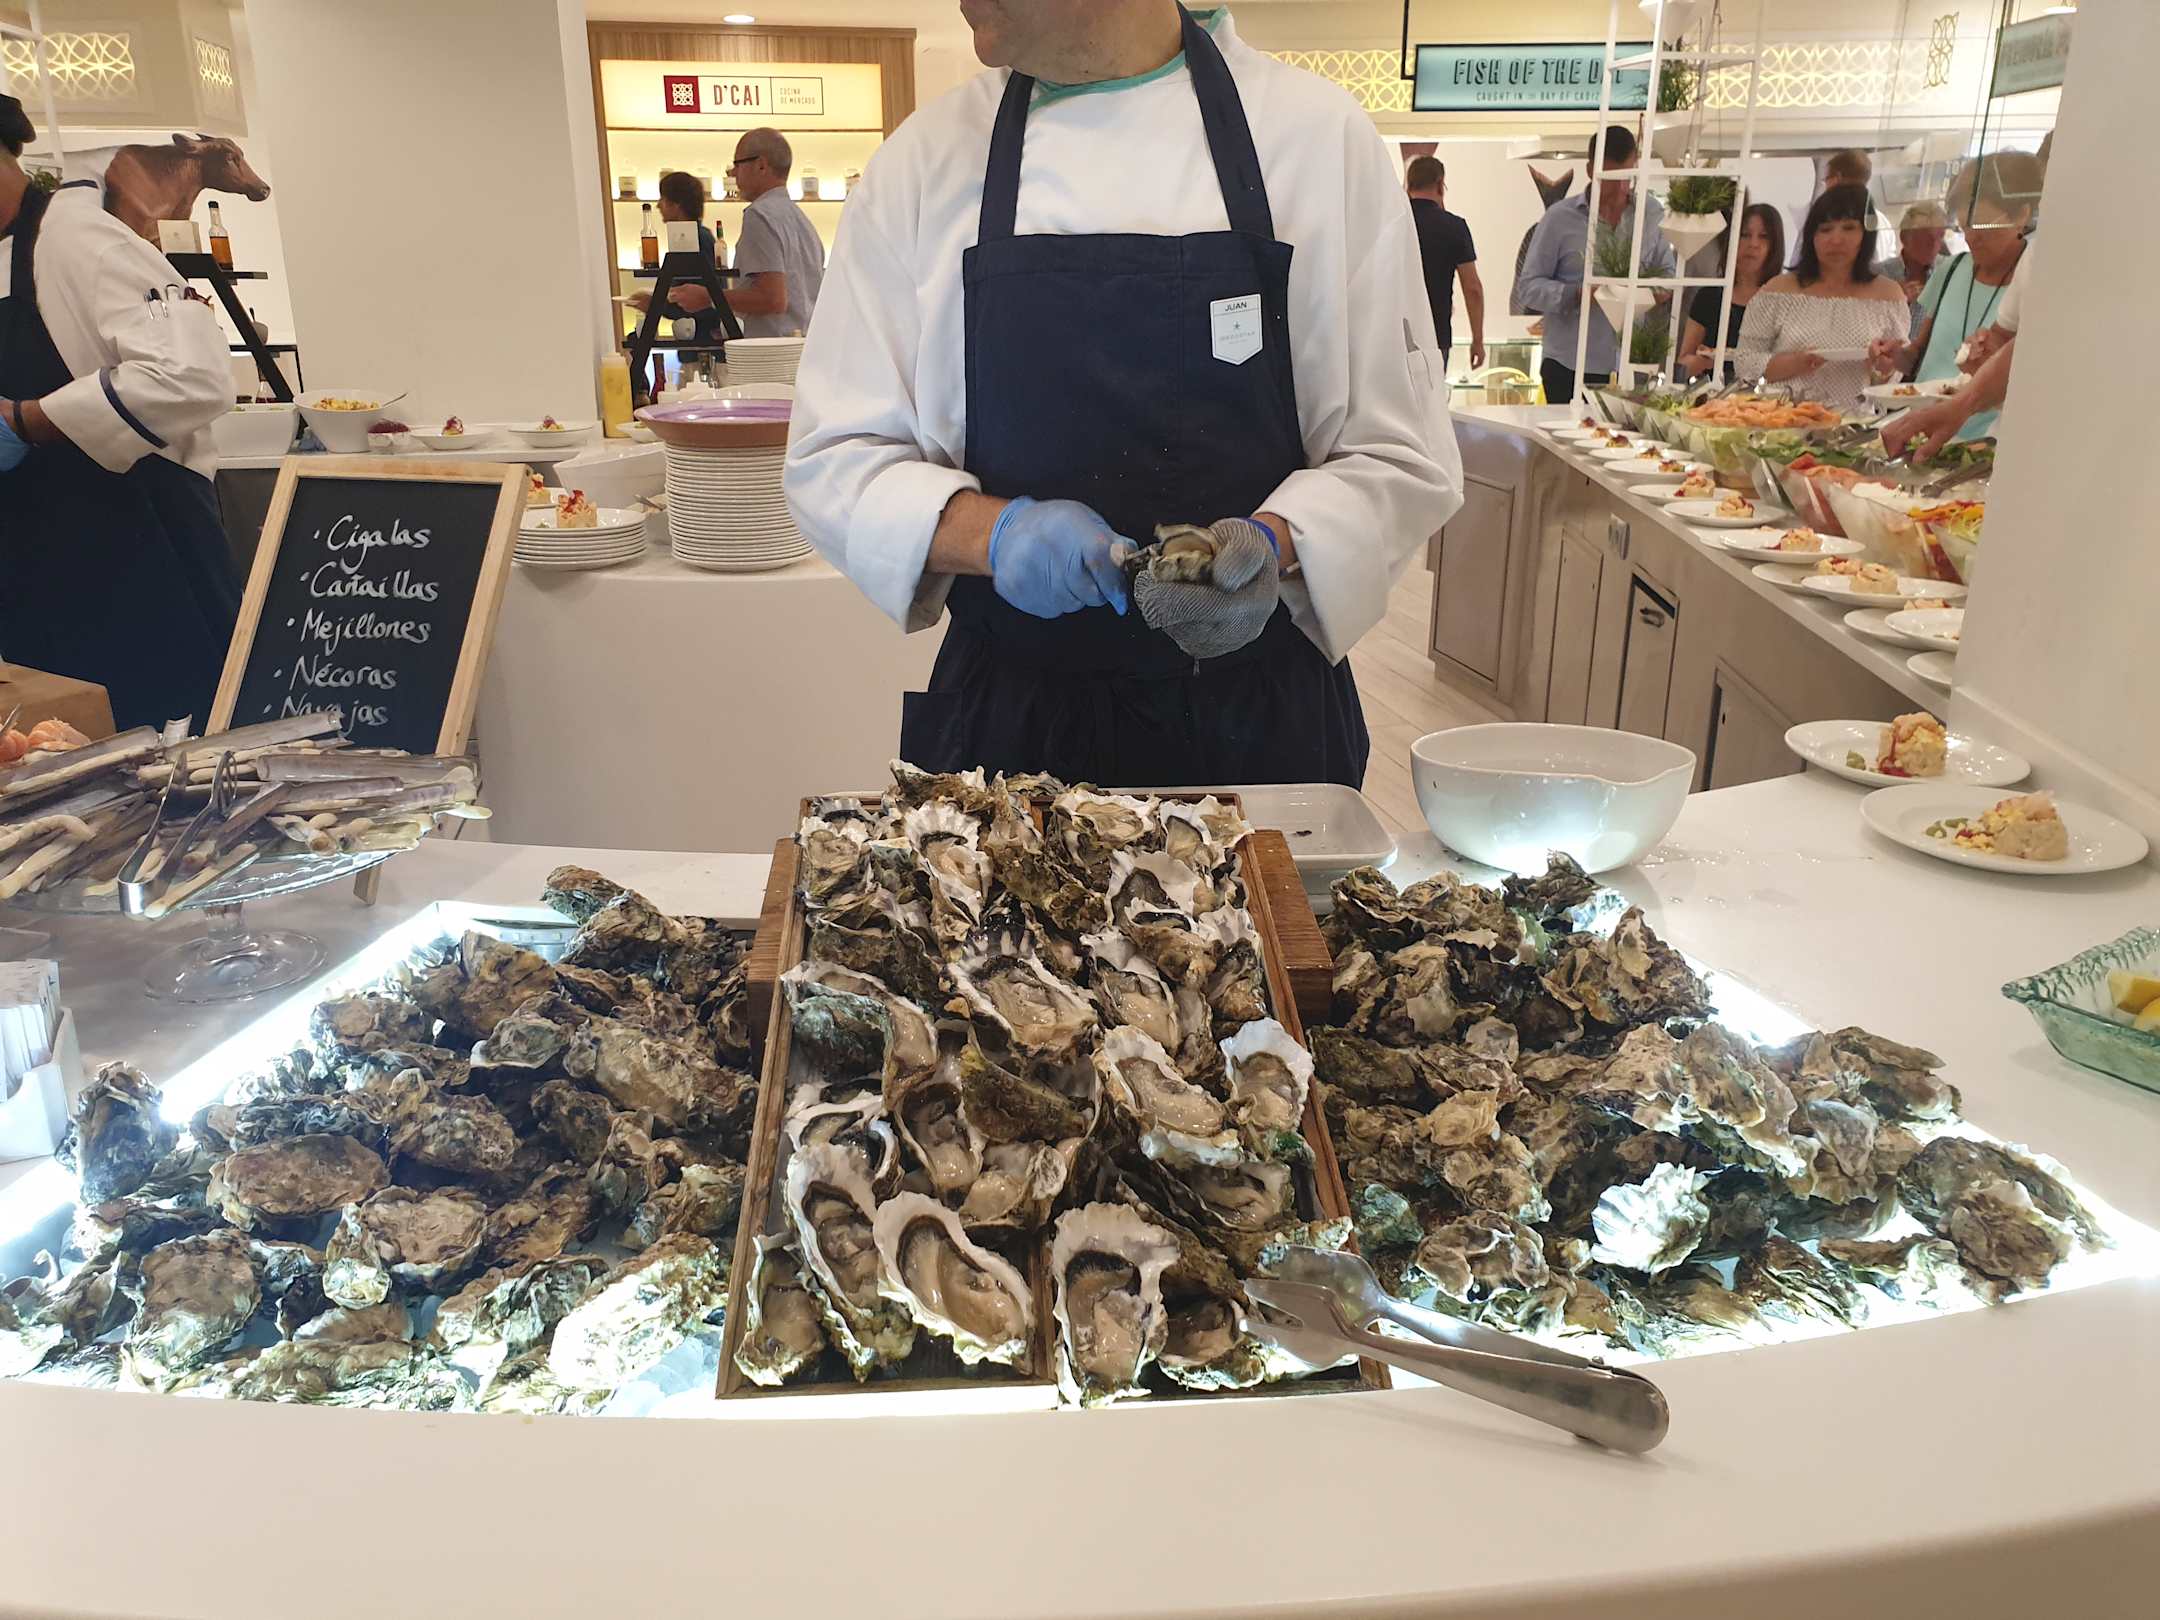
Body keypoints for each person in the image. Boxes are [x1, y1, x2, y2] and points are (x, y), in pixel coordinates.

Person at [784, 1, 1460, 788]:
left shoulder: (1317, 141)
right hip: (1007, 724)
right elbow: (836, 458)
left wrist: (1274, 543)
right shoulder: (922, 164)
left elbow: (1399, 452)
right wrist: (997, 535)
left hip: (1260, 726)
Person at [0, 93, 240, 732]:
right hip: (34, 573)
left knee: (179, 763)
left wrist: (24, 421)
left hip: (139, 560)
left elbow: (192, 376)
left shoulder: (79, 239)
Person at [1868, 151, 2042, 442]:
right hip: (1920, 430)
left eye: (1983, 228)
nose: (1971, 238)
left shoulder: (2036, 281)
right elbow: (1919, 357)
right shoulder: (1951, 269)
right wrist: (1895, 356)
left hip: (1983, 441)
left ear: (2021, 216)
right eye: (1964, 227)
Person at [1516, 125, 1676, 404]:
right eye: (1610, 178)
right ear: (1591, 170)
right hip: (1569, 365)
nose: (1620, 188)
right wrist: (1578, 293)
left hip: (1633, 365)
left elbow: (1667, 274)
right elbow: (1528, 288)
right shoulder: (1558, 219)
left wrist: (1656, 292)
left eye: (1627, 177)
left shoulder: (1651, 213)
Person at [1731, 184, 1909, 410]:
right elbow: (1744, 363)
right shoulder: (1777, 291)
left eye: (1849, 228)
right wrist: (1795, 363)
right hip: (1781, 419)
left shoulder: (1888, 295)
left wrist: (1885, 367)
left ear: (1866, 235)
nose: (1836, 239)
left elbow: (1894, 379)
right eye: (1825, 229)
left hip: (1853, 423)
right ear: (1811, 236)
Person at [673, 127, 824, 339]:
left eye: (737, 164)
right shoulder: (802, 221)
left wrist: (708, 296)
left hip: (771, 350)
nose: (733, 173)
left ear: (761, 165)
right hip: (805, 346)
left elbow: (773, 299)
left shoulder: (760, 216)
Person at [1677, 203, 1784, 380]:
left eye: (1764, 236)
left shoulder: (1782, 301)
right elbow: (1682, 367)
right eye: (1745, 235)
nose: (1753, 244)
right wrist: (1705, 361)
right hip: (1710, 393)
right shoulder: (1709, 297)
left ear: (1775, 245)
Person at [1404, 155, 1483, 374]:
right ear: (1440, 184)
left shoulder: (1393, 223)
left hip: (1394, 335)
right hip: (1435, 336)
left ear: (1408, 185)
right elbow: (1473, 288)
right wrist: (1477, 340)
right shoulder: (1454, 226)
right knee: (1432, 394)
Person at [625, 170, 721, 345]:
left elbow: (698, 300)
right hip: (695, 336)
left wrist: (654, 304)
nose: (658, 206)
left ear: (676, 204)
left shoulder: (695, 239)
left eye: (662, 199)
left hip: (701, 339)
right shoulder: (693, 237)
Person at [1873, 201, 1947, 334]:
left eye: (1940, 236)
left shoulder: (1948, 271)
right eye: (1926, 238)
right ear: (1904, 238)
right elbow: (1868, 328)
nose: (1934, 244)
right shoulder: (1880, 275)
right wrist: (1895, 302)